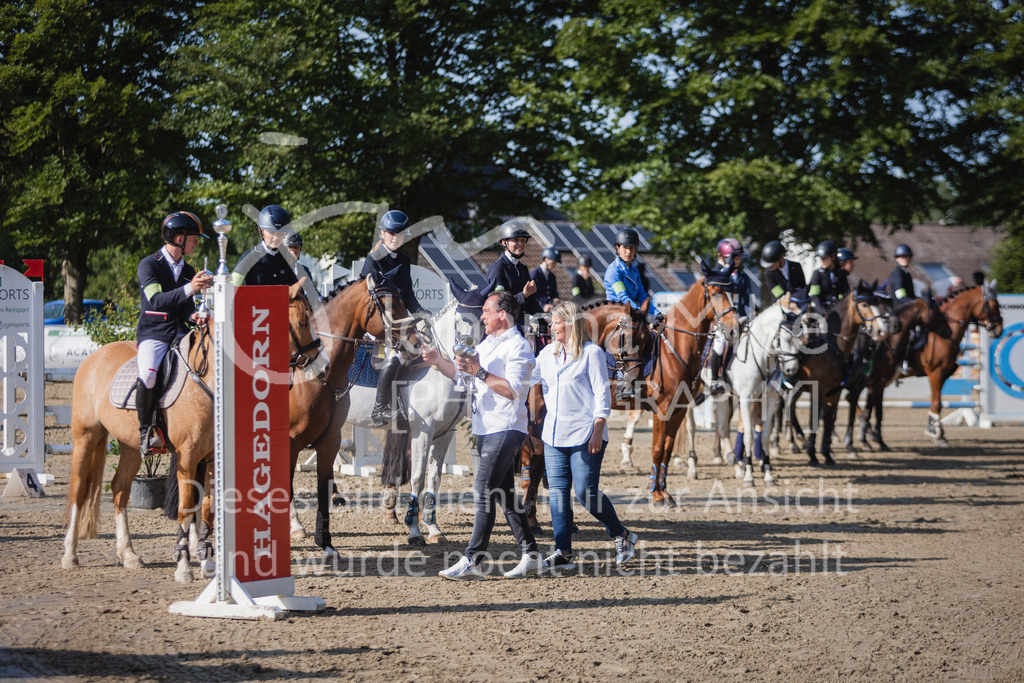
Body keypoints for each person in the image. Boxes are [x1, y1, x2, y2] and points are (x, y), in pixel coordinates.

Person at [424, 291, 542, 580]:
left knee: (482, 492)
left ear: (503, 314)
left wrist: (479, 371)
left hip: (506, 427)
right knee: (504, 495)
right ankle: (532, 554)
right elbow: (461, 375)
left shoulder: (519, 347)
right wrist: (438, 360)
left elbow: (512, 390)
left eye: (487, 311)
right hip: (486, 428)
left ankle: (473, 559)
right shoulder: (487, 343)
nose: (482, 317)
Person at [533, 301, 638, 573]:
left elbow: (602, 394)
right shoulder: (546, 354)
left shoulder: (592, 353)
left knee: (585, 492)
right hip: (554, 435)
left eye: (555, 322)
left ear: (570, 323)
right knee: (557, 495)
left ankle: (621, 534)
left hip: (585, 433)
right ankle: (563, 552)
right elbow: (524, 380)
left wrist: (598, 430)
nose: (551, 326)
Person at [136, 211, 212, 455]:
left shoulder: (188, 269)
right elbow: (156, 300)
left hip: (180, 333)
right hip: (154, 333)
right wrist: (191, 287)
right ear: (179, 238)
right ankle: (146, 432)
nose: (197, 242)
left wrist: (195, 316)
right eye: (194, 238)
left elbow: (186, 307)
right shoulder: (149, 265)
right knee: (148, 376)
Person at [360, 210, 429, 426]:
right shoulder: (373, 259)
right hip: (375, 322)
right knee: (397, 353)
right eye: (391, 233)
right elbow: (366, 296)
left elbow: (407, 295)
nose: (395, 237)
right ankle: (379, 407)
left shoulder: (404, 261)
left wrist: (422, 314)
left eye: (400, 234)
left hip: (398, 322)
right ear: (382, 234)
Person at [704, 238, 749, 397]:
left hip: (738, 314)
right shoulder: (715, 273)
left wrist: (745, 315)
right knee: (720, 343)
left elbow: (745, 299)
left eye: (738, 258)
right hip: (720, 317)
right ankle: (716, 378)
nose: (737, 261)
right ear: (722, 256)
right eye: (734, 258)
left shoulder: (742, 276)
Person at [482, 220, 543, 330]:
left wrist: (544, 317)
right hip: (506, 327)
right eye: (516, 240)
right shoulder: (498, 268)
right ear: (504, 243)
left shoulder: (523, 269)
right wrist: (523, 295)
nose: (520, 244)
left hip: (525, 324)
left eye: (523, 240)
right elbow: (499, 304)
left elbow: (531, 301)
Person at [232, 204, 300, 287]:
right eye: (272, 232)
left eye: (281, 232)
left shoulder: (288, 259)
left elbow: (294, 291)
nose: (276, 237)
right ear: (261, 230)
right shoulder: (249, 257)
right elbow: (233, 285)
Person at [604, 228, 660, 319]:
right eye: (625, 248)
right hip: (615, 314)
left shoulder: (634, 271)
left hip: (632, 313)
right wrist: (640, 312)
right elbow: (623, 297)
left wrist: (657, 314)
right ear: (617, 248)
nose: (629, 252)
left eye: (631, 248)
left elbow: (642, 296)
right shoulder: (613, 270)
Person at [886, 244, 919, 373]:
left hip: (908, 309)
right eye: (901, 257)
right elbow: (901, 296)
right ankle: (904, 360)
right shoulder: (898, 274)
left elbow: (910, 295)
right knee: (910, 334)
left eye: (906, 256)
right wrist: (916, 304)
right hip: (901, 311)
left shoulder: (906, 273)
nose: (904, 259)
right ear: (897, 259)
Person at [808, 240, 839, 313]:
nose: (822, 261)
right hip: (822, 309)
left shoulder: (840, 273)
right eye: (821, 258)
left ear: (833, 257)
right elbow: (815, 296)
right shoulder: (817, 274)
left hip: (838, 308)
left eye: (825, 258)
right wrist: (824, 312)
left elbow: (844, 292)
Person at [529, 247, 561, 312]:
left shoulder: (552, 276)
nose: (554, 265)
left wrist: (556, 298)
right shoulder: (534, 274)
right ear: (546, 260)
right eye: (553, 262)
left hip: (549, 310)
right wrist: (543, 305)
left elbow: (554, 292)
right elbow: (530, 295)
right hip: (535, 311)